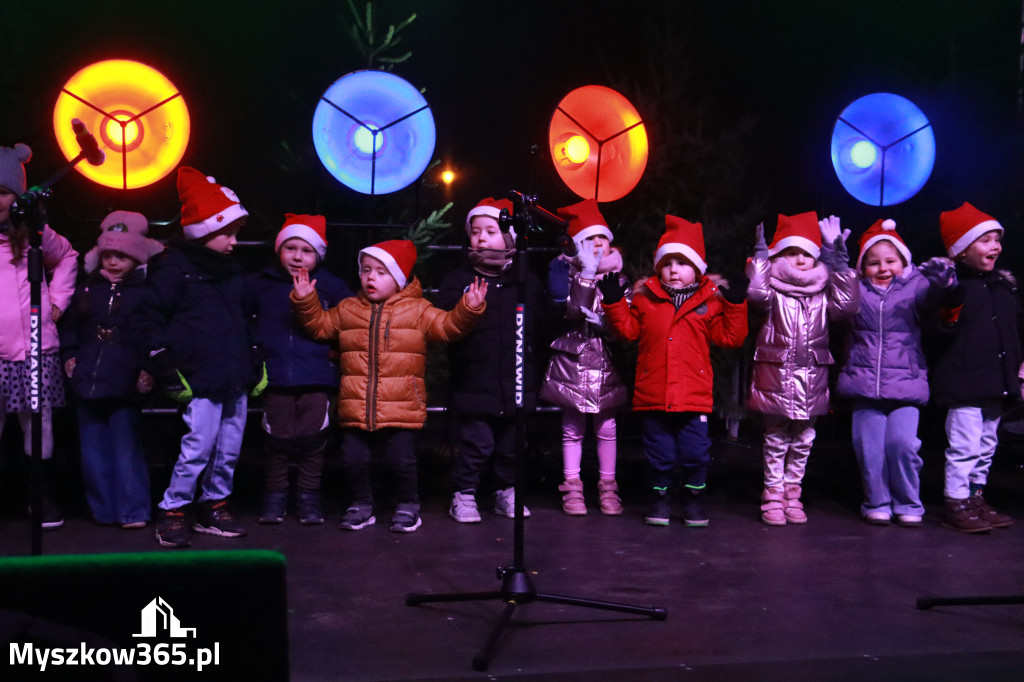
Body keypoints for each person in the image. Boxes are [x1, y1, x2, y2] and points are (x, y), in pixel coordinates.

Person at [292, 239, 486, 532]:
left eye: (381, 272)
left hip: (403, 404)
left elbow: (448, 327)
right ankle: (361, 504)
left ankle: (408, 505)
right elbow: (320, 326)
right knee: (354, 460)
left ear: (398, 279)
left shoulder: (418, 310)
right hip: (356, 403)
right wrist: (306, 300)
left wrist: (468, 309)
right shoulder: (348, 309)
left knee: (401, 461)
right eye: (366, 270)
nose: (371, 277)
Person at [136, 167, 264, 548]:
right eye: (227, 232)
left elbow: (240, 322)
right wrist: (164, 368)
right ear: (203, 232)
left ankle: (214, 507)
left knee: (229, 448)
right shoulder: (174, 269)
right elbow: (147, 321)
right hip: (198, 375)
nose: (234, 241)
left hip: (233, 376)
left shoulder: (231, 273)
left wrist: (253, 359)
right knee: (198, 447)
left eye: (236, 232)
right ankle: (173, 511)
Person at [600, 215, 748, 527]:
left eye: (682, 263)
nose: (673, 270)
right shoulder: (645, 298)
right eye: (667, 263)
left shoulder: (710, 301)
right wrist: (615, 303)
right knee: (660, 454)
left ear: (697, 268)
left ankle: (693, 501)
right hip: (653, 393)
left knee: (695, 453)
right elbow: (628, 331)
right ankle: (659, 499)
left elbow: (730, 337)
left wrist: (735, 305)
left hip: (693, 396)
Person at [836, 219, 955, 527]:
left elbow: (933, 302)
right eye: (874, 263)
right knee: (869, 449)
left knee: (902, 445)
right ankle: (876, 502)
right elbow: (837, 296)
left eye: (891, 261)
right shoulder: (857, 289)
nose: (883, 268)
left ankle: (908, 503)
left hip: (906, 382)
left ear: (904, 261)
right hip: (865, 384)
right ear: (864, 267)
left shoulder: (916, 286)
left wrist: (942, 283)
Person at [436, 198, 546, 523]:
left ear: (509, 238)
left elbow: (540, 326)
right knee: (477, 443)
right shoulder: (458, 280)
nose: (481, 238)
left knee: (513, 445)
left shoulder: (525, 280)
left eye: (491, 231)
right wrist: (464, 307)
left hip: (516, 381)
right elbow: (444, 324)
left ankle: (505, 490)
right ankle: (464, 493)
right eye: (475, 232)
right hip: (475, 383)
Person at [746, 212, 859, 526]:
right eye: (791, 252)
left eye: (806, 253)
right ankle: (772, 493)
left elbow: (848, 305)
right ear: (779, 255)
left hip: (811, 377)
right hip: (776, 375)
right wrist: (760, 260)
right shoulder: (773, 290)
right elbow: (755, 294)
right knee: (775, 437)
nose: (799, 259)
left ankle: (792, 493)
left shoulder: (824, 292)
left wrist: (838, 263)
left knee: (805, 437)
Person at [60, 211, 163, 529]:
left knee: (126, 449)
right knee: (92, 450)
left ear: (137, 257)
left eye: (121, 255)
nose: (113, 261)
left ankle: (133, 510)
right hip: (87, 378)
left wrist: (148, 368)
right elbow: (71, 326)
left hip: (125, 381)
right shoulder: (88, 289)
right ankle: (104, 510)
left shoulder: (146, 293)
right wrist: (70, 355)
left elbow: (153, 334)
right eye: (107, 255)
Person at [248, 214, 352, 525]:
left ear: (318, 255)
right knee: (276, 440)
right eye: (290, 248)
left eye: (306, 250)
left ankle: (308, 498)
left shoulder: (333, 286)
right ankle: (274, 499)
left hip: (317, 377)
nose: (297, 257)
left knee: (313, 439)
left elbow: (346, 324)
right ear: (278, 250)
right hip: (276, 376)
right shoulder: (259, 285)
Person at [930, 202, 1021, 533]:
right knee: (965, 445)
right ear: (961, 249)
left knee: (986, 445)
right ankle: (956, 501)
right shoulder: (952, 289)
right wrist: (948, 300)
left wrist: (1017, 370)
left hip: (996, 382)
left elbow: (1011, 335)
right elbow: (939, 331)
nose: (994, 246)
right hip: (965, 383)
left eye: (997, 239)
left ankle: (975, 496)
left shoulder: (1003, 287)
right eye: (985, 240)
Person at [0, 143, 78, 529]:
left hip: (33, 350)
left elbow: (68, 256)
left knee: (38, 424)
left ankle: (40, 494)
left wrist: (57, 304)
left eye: (1, 192)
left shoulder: (36, 234)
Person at [540, 199, 629, 515]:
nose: (599, 244)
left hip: (606, 361)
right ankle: (572, 487)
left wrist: (608, 322)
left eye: (603, 238)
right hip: (573, 361)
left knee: (607, 428)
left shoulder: (619, 277)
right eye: (590, 240)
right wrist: (586, 276)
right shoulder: (565, 272)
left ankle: (608, 487)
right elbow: (571, 309)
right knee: (572, 428)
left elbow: (627, 323)